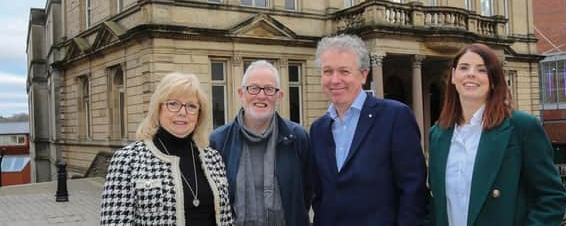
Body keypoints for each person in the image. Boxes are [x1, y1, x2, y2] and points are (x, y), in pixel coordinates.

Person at [428, 43, 566, 226]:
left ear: (493, 80)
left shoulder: (521, 127)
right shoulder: (438, 134)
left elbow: (552, 197)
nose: (471, 74)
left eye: (481, 70)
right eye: (464, 67)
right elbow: (435, 204)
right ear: (454, 77)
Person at [310, 34, 428, 226]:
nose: (335, 80)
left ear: (363, 74)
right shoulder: (318, 129)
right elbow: (320, 195)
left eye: (344, 71)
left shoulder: (395, 117)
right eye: (327, 71)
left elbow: (413, 191)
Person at [100, 72, 233, 225]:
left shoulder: (213, 158)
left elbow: (226, 220)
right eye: (173, 104)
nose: (182, 112)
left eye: (191, 106)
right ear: (159, 108)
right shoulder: (128, 159)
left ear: (199, 114)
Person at [210, 60, 312, 226]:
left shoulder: (297, 138)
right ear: (241, 93)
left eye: (269, 89)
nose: (261, 95)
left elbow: (306, 193)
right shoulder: (219, 140)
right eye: (254, 88)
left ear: (279, 96)